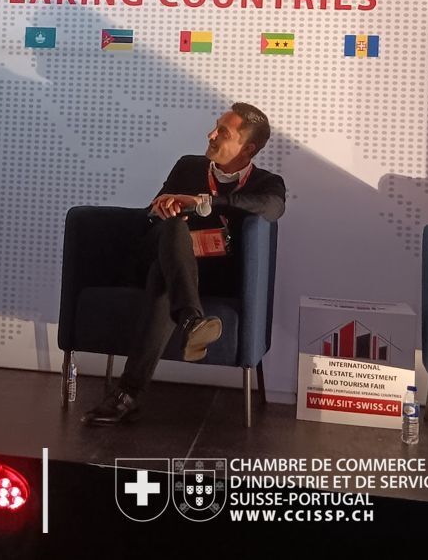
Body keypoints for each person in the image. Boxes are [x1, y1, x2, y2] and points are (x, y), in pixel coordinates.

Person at [83, 103, 286, 426]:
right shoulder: (189, 166)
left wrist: (203, 202)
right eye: (215, 127)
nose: (211, 135)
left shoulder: (267, 182)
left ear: (248, 148)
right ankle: (190, 321)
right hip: (161, 250)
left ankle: (129, 392)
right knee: (174, 228)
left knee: (164, 279)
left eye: (222, 132)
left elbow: (272, 208)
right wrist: (161, 208)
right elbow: (152, 212)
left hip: (208, 273)